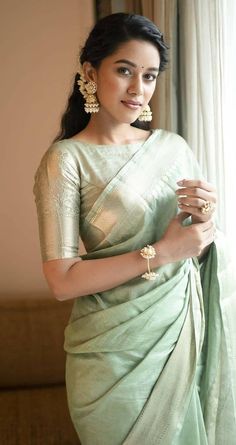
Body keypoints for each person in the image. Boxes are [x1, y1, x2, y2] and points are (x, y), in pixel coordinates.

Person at [33, 12, 236, 445]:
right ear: (91, 72)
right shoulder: (65, 160)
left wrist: (204, 222)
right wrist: (161, 252)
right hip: (109, 359)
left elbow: (196, 252)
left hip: (179, 336)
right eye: (124, 70)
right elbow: (62, 281)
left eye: (148, 76)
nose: (137, 88)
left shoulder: (173, 148)